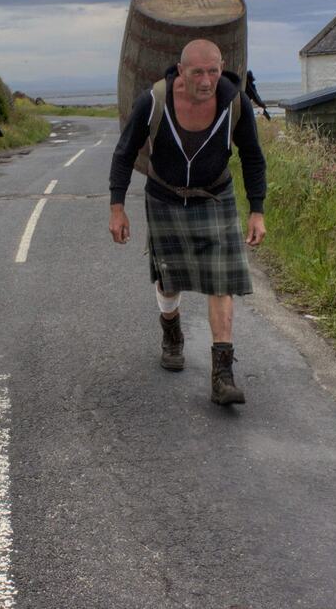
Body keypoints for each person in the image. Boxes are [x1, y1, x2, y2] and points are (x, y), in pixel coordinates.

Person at [109, 39, 267, 405]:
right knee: (168, 281)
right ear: (181, 71)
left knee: (221, 282)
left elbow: (253, 158)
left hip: (215, 196)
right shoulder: (153, 101)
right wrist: (117, 206)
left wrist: (257, 210)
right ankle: (171, 332)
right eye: (198, 72)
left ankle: (223, 375)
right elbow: (124, 152)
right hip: (165, 195)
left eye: (213, 71)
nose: (207, 80)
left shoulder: (234, 103)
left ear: (222, 67)